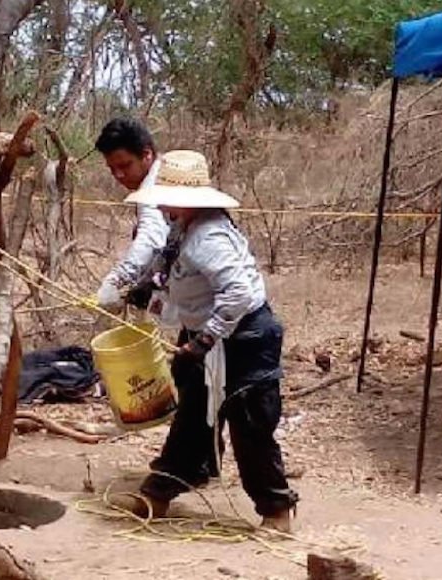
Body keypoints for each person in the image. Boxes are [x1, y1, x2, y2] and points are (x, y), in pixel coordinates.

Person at [109, 150, 298, 532]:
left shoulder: (209, 236)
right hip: (210, 338)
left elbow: (239, 294)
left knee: (250, 428)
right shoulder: (183, 225)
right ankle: (158, 494)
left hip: (244, 339)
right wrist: (148, 285)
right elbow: (171, 262)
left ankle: (276, 510)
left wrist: (203, 341)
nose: (158, 201)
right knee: (192, 418)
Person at [93, 118, 169, 311]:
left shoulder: (155, 188)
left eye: (125, 165)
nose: (118, 175)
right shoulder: (163, 174)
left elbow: (151, 238)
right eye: (112, 169)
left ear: (147, 155)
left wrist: (116, 280)